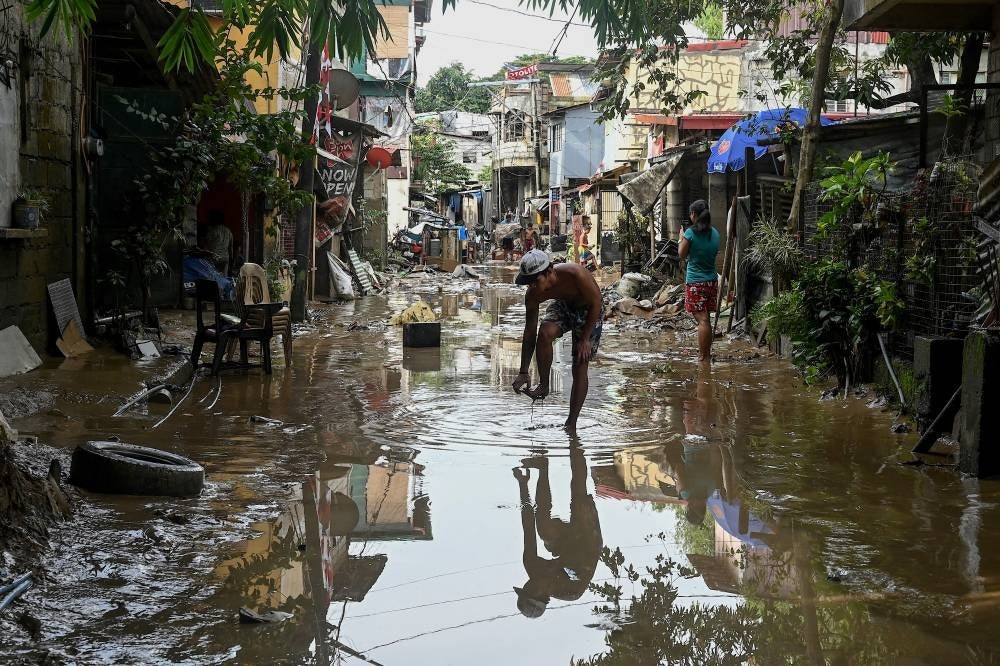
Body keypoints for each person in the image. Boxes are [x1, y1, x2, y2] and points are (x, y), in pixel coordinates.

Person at [511, 249, 603, 433]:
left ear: (549, 272)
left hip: (589, 310)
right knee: (544, 334)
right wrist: (523, 371)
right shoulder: (533, 294)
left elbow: (597, 302)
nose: (533, 287)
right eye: (529, 283)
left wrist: (584, 339)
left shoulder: (576, 274)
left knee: (580, 362)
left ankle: (571, 423)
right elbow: (530, 332)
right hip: (563, 305)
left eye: (536, 281)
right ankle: (544, 385)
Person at [511, 446, 602, 618]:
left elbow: (528, 526)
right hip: (588, 544)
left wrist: (523, 486)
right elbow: (588, 556)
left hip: (565, 545)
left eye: (526, 586)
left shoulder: (532, 566)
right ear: (542, 595)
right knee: (579, 496)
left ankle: (543, 467)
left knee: (545, 530)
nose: (529, 583)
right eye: (530, 589)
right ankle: (576, 447)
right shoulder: (571, 590)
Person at [679, 200, 720, 362]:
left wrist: (681, 238)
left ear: (694, 215)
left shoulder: (690, 233)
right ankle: (706, 354)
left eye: (690, 214)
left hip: (696, 282)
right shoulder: (715, 233)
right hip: (711, 281)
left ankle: (704, 357)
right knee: (706, 318)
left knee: (702, 320)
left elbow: (682, 255)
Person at [204, 210, 233, 276]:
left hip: (214, 257)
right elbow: (230, 248)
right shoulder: (228, 231)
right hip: (225, 258)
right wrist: (231, 259)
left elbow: (206, 245)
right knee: (224, 277)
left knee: (212, 277)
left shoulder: (212, 230)